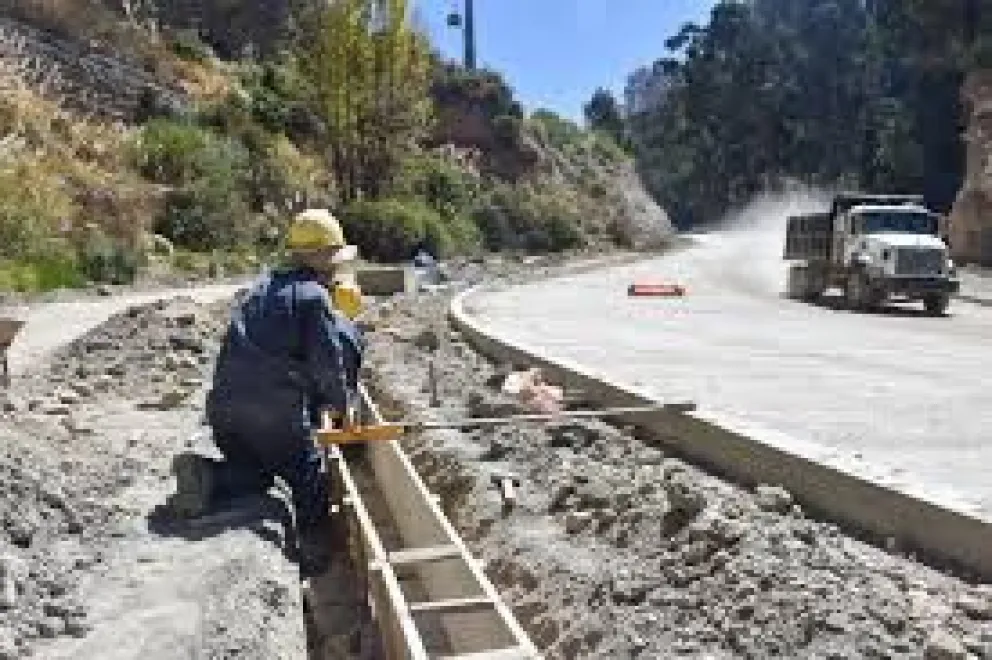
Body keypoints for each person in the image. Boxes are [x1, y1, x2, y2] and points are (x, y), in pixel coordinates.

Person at [168, 208, 364, 575]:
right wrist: (343, 407)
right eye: (335, 258)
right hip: (271, 415)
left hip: (225, 411)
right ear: (321, 257)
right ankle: (316, 560)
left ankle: (208, 474)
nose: (337, 267)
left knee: (256, 476)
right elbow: (326, 362)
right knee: (309, 479)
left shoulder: (262, 288)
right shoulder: (312, 298)